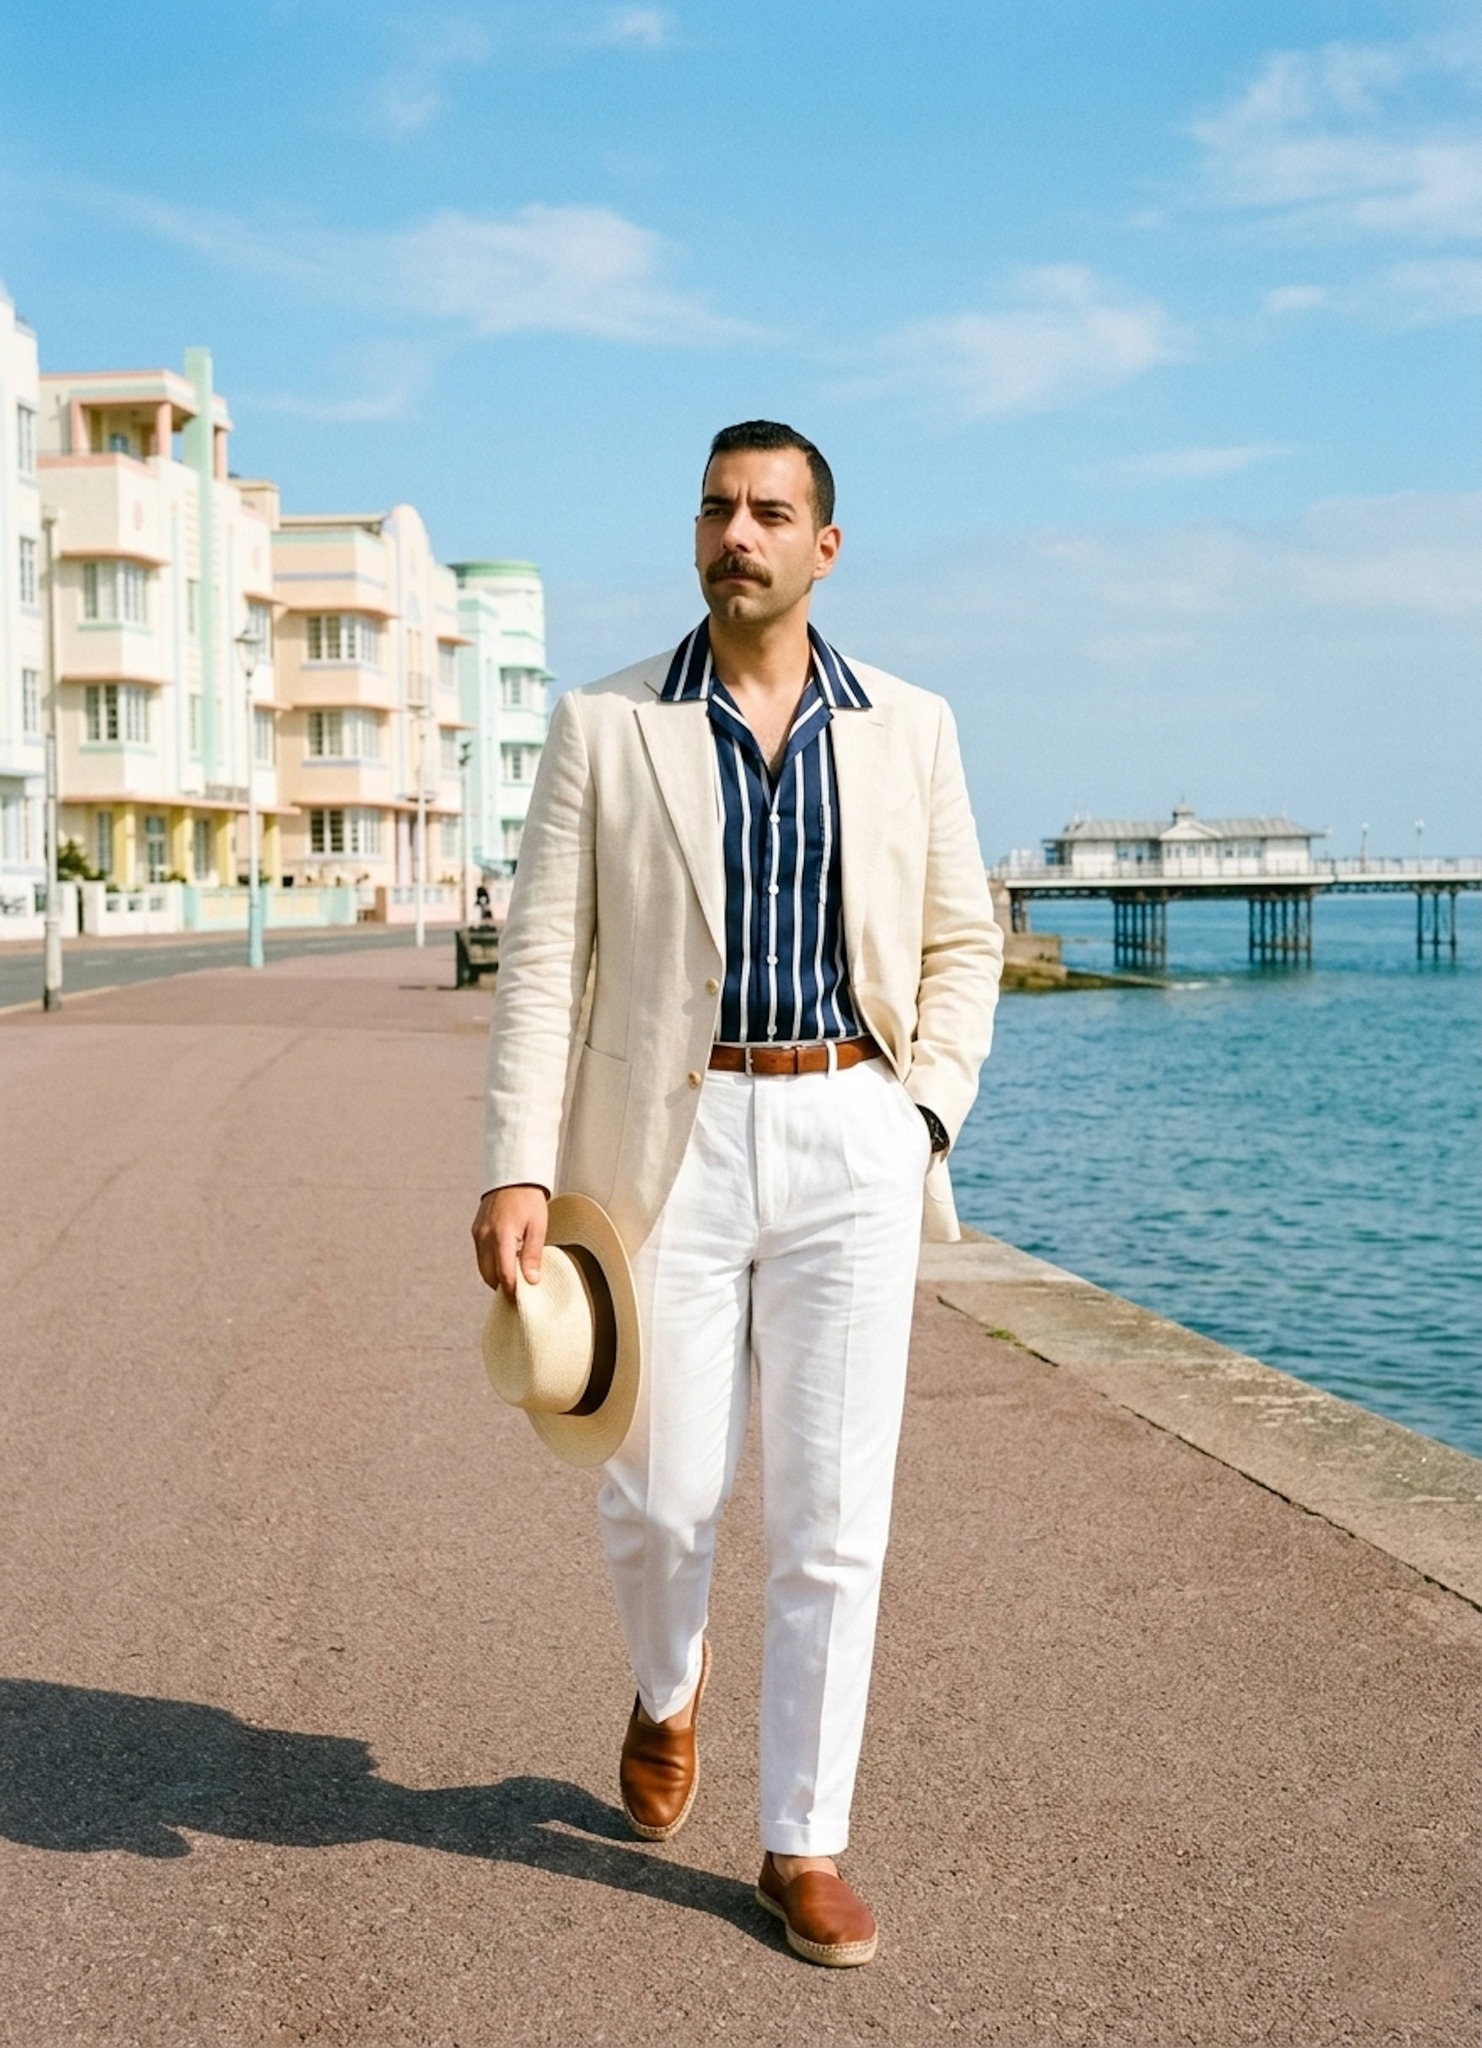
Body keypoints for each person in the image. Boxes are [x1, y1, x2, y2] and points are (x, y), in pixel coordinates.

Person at [471, 420, 1001, 1966]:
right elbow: (538, 965)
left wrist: (920, 1121)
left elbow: (963, 943)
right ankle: (664, 1683)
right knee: (658, 1493)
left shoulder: (911, 725)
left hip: (848, 1125)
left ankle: (802, 1841)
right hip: (668, 1148)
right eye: (716, 507)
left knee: (835, 1519)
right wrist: (515, 1160)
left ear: (824, 547)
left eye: (770, 511)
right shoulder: (608, 725)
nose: (737, 533)